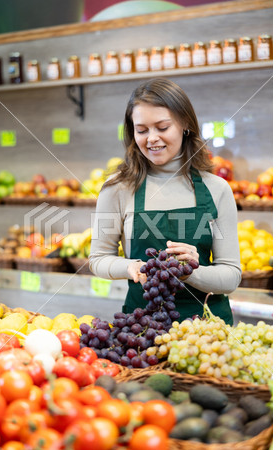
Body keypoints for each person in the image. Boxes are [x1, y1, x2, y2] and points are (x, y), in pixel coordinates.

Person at [89, 78, 241, 325]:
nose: (152, 139)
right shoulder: (117, 189)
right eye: (142, 130)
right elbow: (98, 259)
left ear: (185, 125)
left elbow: (231, 276)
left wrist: (192, 271)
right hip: (142, 334)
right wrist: (132, 266)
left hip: (207, 336)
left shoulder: (217, 189)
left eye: (162, 127)